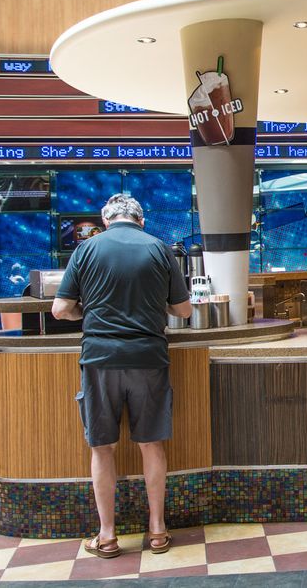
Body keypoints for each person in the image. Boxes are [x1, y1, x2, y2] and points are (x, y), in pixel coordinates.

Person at [52, 194, 191, 559]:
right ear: (141, 220)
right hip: (148, 356)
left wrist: (88, 311)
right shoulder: (159, 248)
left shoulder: (86, 249)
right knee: (151, 444)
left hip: (100, 358)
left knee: (102, 448)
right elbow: (183, 309)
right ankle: (157, 530)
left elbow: (60, 309)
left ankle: (108, 535)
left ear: (106, 220)